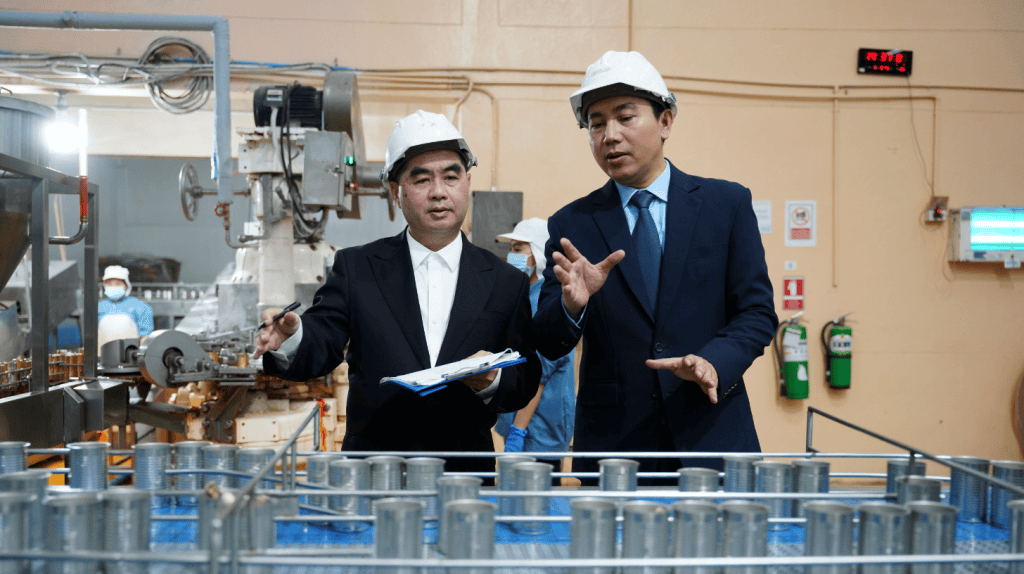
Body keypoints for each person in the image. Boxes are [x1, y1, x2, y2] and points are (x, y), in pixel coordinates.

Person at [533, 51, 778, 480]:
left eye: (625, 117)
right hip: (614, 447)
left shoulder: (725, 205)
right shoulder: (572, 224)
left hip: (712, 432)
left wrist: (714, 361)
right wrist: (573, 306)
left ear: (665, 121)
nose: (610, 136)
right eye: (596, 124)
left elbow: (757, 313)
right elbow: (549, 341)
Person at [253, 110, 540, 473]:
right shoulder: (358, 268)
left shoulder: (504, 281)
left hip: (462, 474)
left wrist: (492, 380)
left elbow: (525, 377)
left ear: (467, 182)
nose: (439, 192)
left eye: (451, 177)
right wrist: (291, 339)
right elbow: (323, 338)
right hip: (374, 470)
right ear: (395, 191)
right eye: (422, 180)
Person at [493, 218, 576, 470]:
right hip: (517, 422)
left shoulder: (546, 299)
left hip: (537, 430)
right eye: (511, 248)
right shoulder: (524, 295)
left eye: (519, 248)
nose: (512, 255)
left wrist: (518, 432)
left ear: (538, 252)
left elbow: (538, 374)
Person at [97, 265, 154, 338]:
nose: (113, 287)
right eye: (109, 284)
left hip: (131, 345)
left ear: (126, 285)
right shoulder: (98, 307)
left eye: (118, 283)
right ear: (104, 285)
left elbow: (145, 336)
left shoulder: (141, 307)